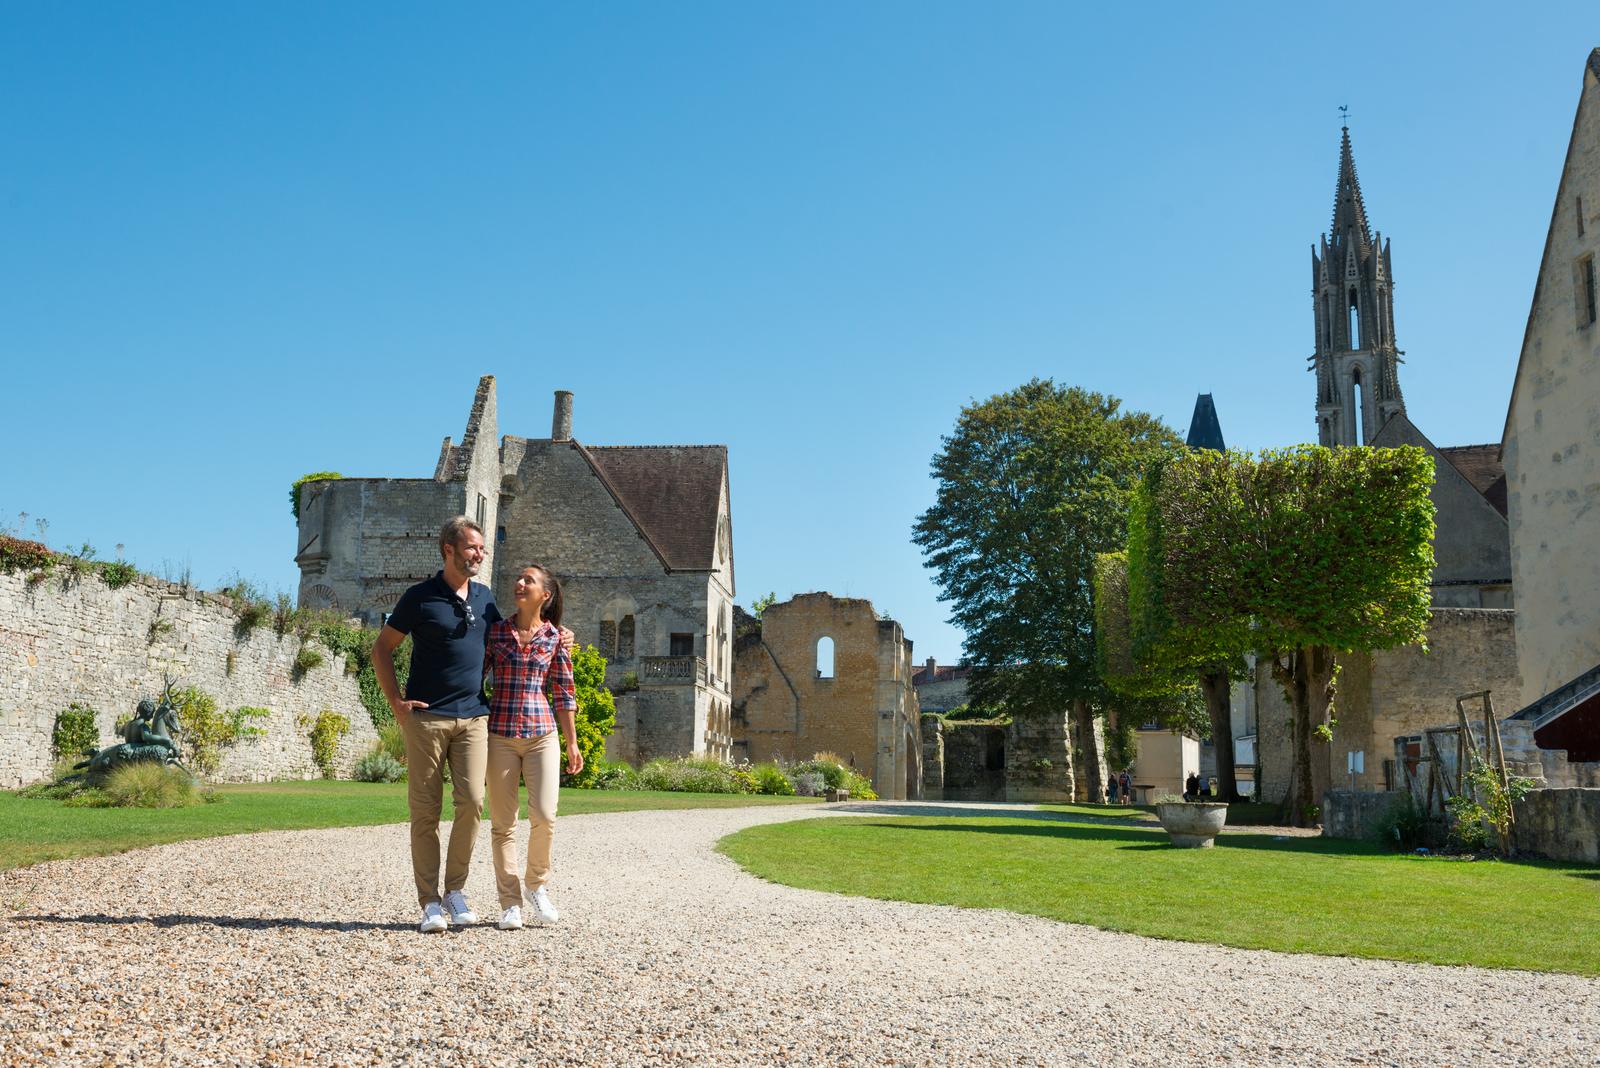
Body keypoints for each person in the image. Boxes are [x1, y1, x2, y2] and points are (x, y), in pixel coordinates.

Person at [483, 564, 583, 931]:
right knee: (502, 823)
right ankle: (509, 903)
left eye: (529, 580)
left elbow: (564, 691)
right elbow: (472, 675)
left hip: (542, 734)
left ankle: (536, 886)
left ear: (546, 595)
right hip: (500, 735)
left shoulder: (557, 639)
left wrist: (572, 742)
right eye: (519, 578)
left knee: (544, 815)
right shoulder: (496, 633)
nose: (520, 583)